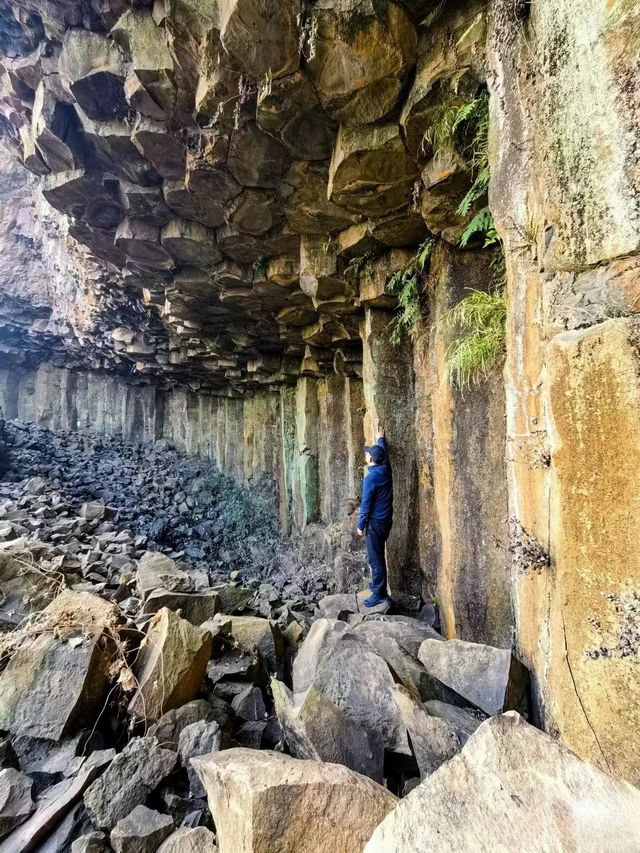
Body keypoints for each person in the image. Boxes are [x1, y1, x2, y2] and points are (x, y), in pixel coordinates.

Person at [357, 421, 393, 608]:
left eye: (368, 453)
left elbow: (366, 504)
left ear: (371, 460)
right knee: (378, 555)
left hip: (375, 524)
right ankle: (378, 587)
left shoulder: (371, 478)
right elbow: (382, 452)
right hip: (386, 521)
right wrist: (380, 440)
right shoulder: (385, 468)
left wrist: (360, 526)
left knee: (375, 558)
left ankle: (379, 593)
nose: (366, 454)